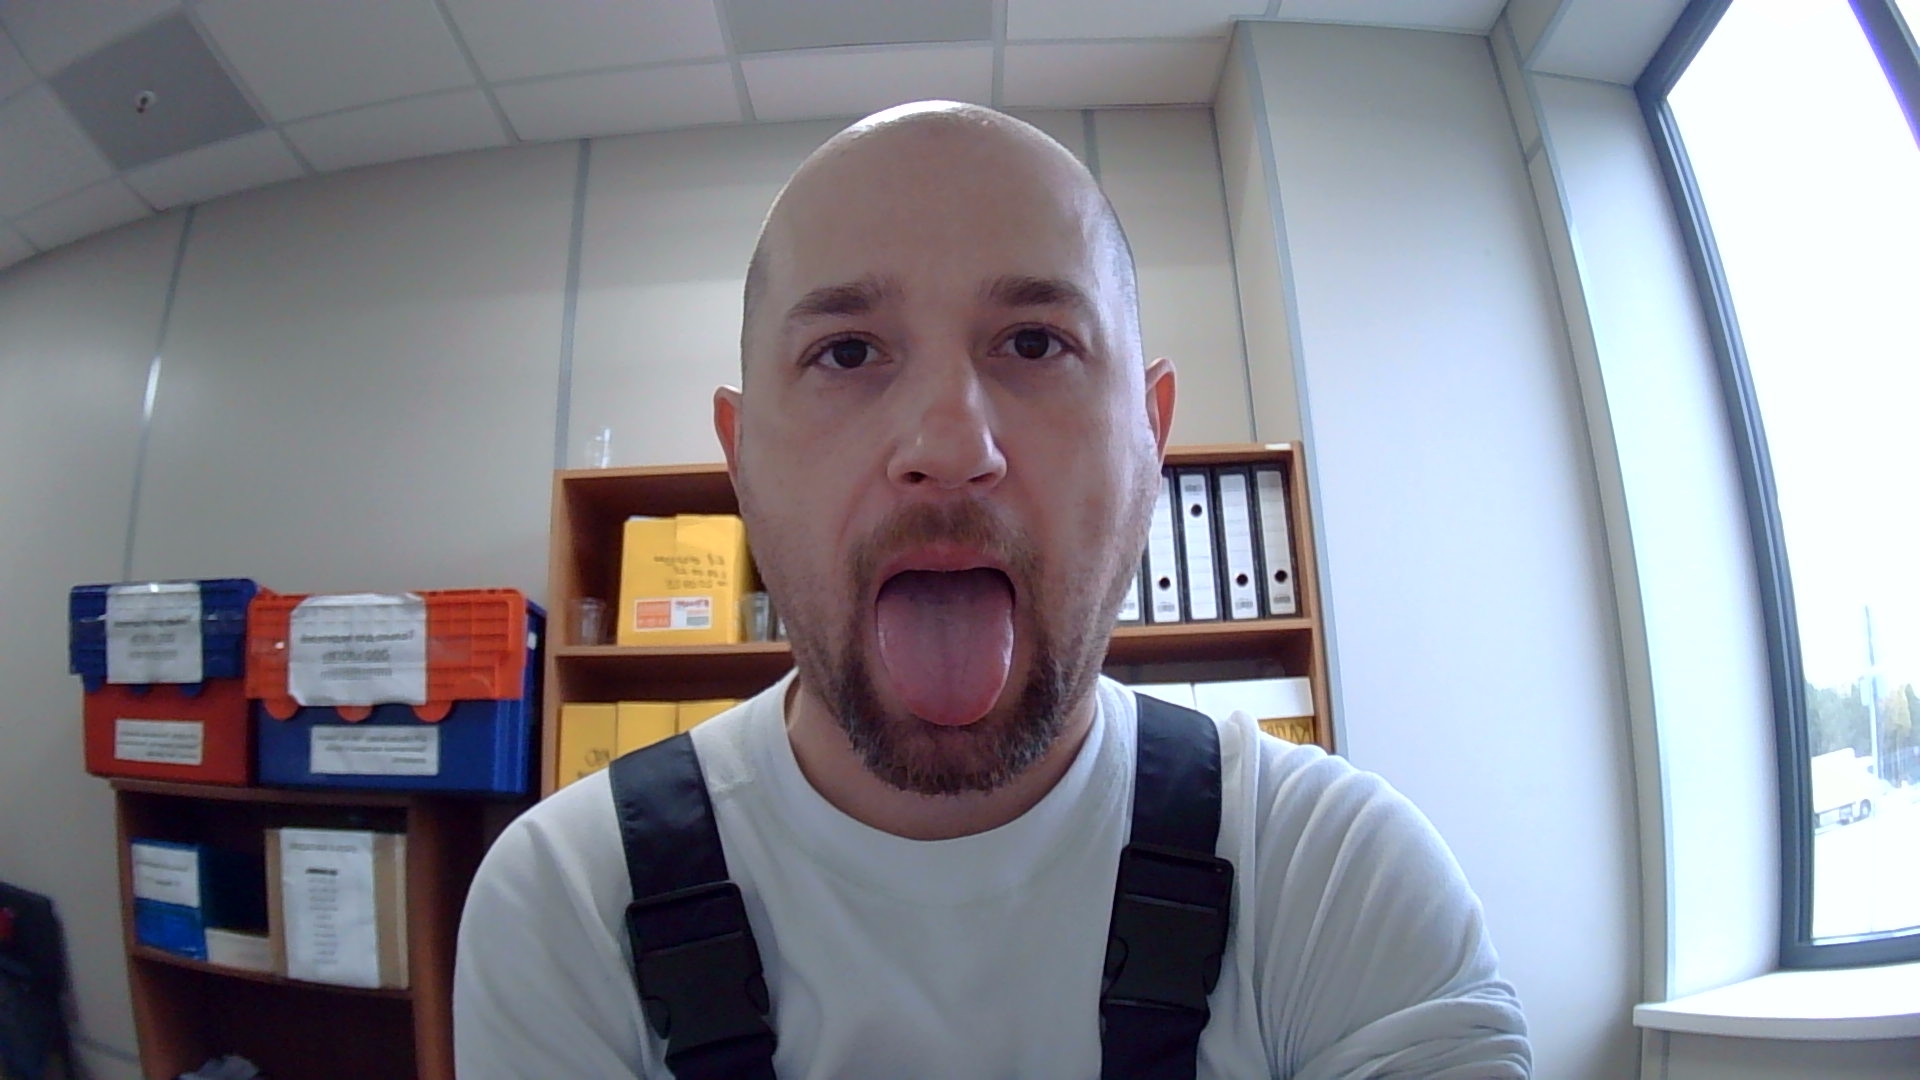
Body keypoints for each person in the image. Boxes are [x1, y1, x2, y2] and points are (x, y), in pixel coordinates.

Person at [453, 101, 1530, 1079]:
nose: (950, 448)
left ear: (1151, 437)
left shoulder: (1335, 878)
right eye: (847, 353)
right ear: (742, 459)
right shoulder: (571, 901)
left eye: (1034, 342)